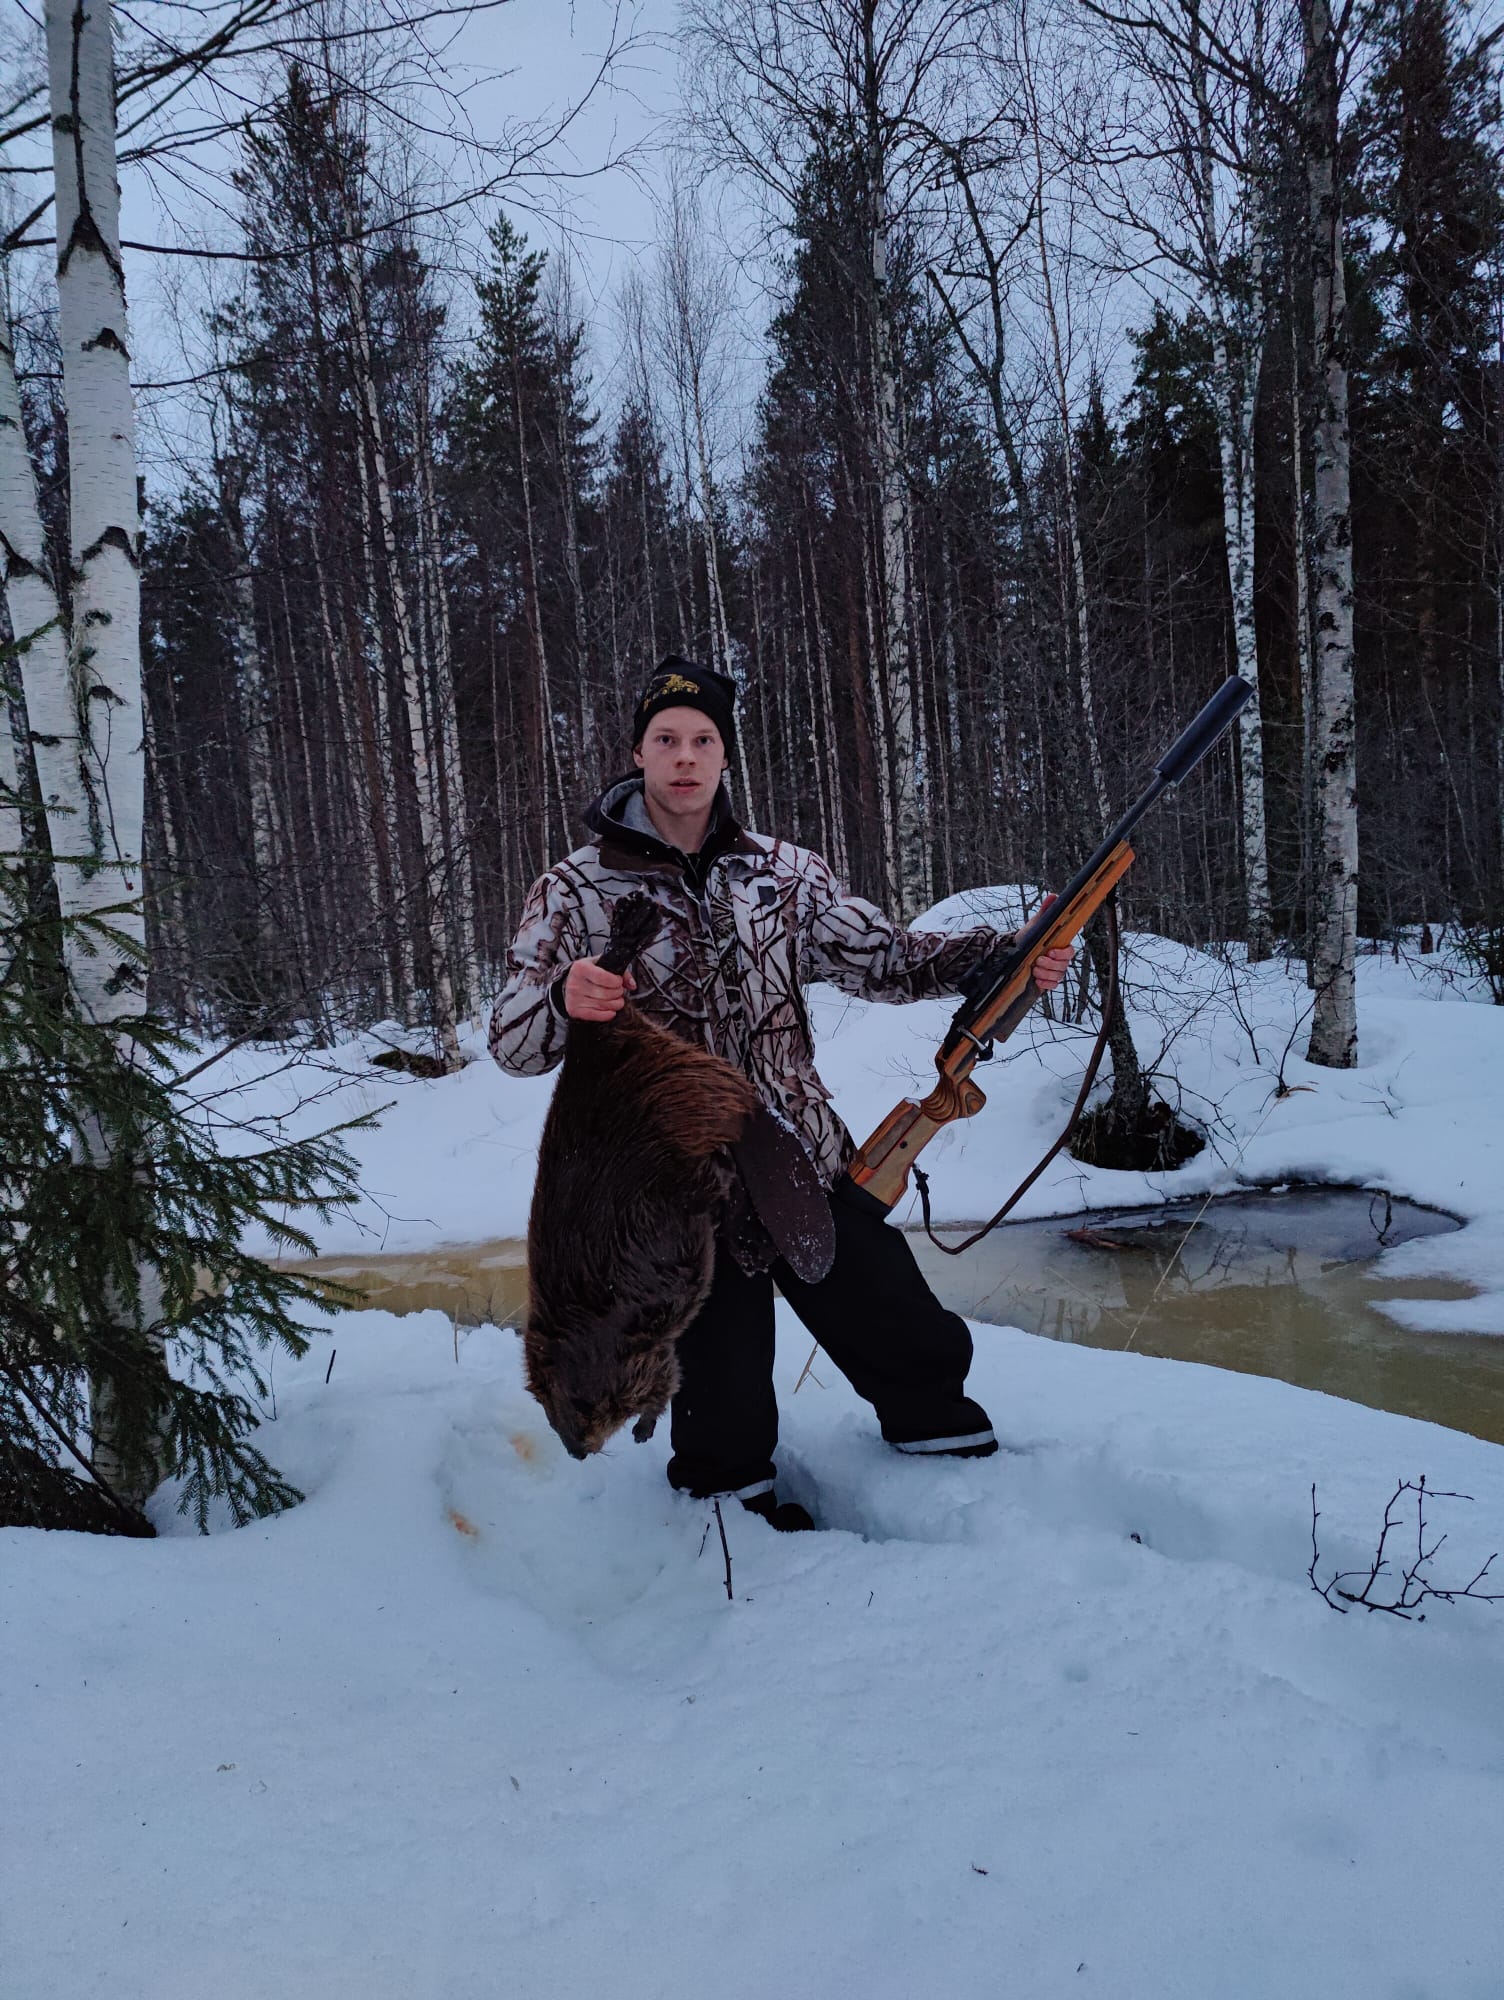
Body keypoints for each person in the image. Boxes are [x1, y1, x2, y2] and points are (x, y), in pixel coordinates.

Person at [490, 657, 1073, 1530]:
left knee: (910, 1343)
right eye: (666, 740)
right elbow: (511, 1045)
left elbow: (888, 960)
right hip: (675, 1193)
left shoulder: (784, 874)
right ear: (638, 753)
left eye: (703, 740)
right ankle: (738, 1535)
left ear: (725, 755)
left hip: (799, 1151)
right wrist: (566, 1000)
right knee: (721, 1413)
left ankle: (965, 1494)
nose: (685, 757)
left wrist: (1009, 953)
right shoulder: (574, 889)